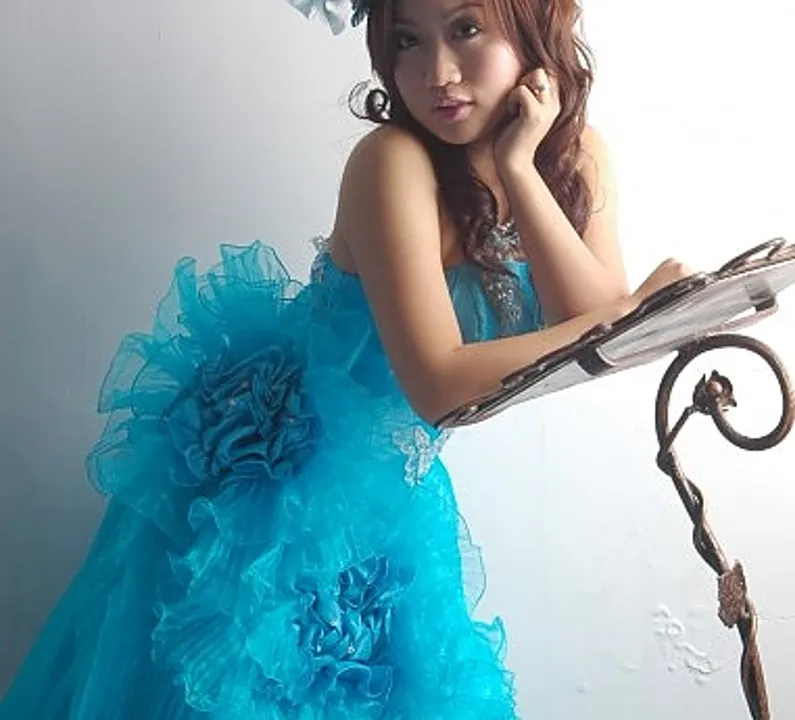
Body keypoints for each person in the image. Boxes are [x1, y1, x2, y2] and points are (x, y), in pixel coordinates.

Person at [0, 0, 690, 717]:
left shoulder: (574, 154)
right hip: (282, 482)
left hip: (390, 482)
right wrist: (625, 313)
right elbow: (441, 383)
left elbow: (594, 323)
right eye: (407, 41)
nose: (437, 73)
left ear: (533, 23)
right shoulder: (392, 163)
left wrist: (520, 169)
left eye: (465, 29)